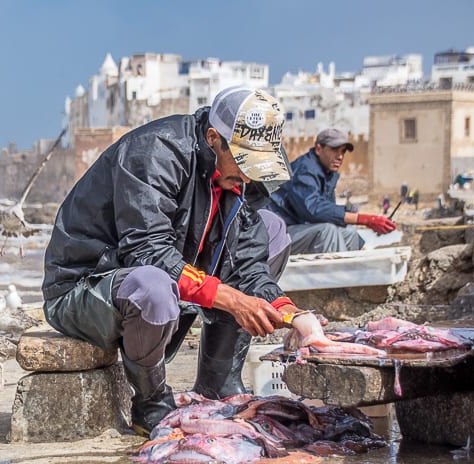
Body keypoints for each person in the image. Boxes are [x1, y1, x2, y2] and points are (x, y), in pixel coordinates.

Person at [42, 86, 310, 436]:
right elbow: (148, 252)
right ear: (214, 138)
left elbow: (250, 261)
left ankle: (218, 383)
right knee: (153, 285)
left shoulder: (238, 177)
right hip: (89, 286)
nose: (247, 177)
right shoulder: (156, 153)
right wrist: (232, 299)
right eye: (244, 164)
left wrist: (291, 313)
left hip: (169, 280)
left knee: (272, 229)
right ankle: (150, 402)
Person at [266, 129, 397, 254]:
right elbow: (313, 209)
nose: (340, 156)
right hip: (277, 235)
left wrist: (361, 245)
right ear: (318, 149)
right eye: (334, 150)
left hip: (297, 229)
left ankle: (355, 270)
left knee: (349, 232)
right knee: (327, 231)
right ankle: (338, 276)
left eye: (343, 151)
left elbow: (328, 214)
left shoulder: (327, 174)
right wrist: (365, 220)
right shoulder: (305, 170)